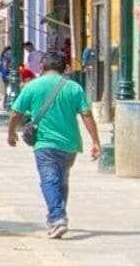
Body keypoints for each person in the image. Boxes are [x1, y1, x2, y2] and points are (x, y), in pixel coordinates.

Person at [7, 50, 101, 238]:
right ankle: (56, 217)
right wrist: (95, 141)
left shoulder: (32, 87)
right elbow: (86, 115)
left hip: (44, 143)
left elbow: (16, 112)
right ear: (64, 68)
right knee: (62, 179)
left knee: (49, 180)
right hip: (70, 144)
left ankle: (58, 218)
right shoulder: (74, 88)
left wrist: (11, 133)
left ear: (42, 67)